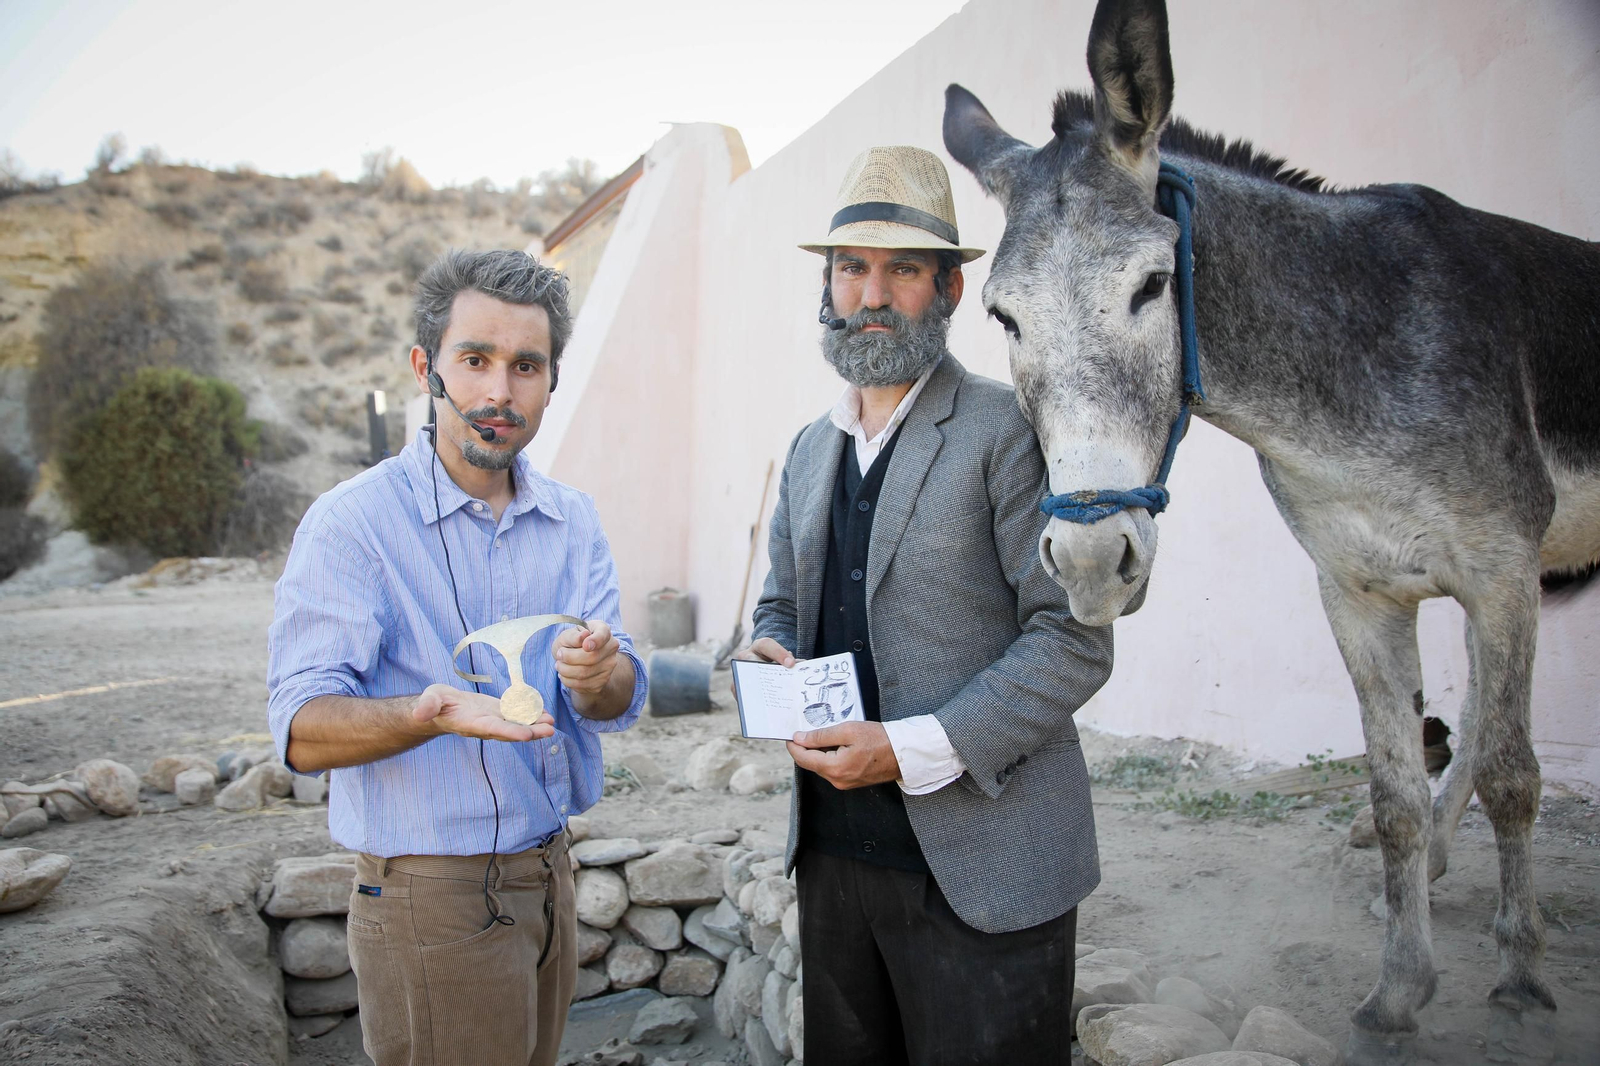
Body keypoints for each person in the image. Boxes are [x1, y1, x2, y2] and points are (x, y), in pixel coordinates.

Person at [743, 146, 1115, 1064]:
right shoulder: (806, 450)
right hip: (832, 859)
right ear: (827, 286)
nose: (871, 294)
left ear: (948, 291)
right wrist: (767, 647)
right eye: (851, 268)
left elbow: (1074, 638)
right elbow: (784, 605)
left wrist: (909, 749)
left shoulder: (1007, 431)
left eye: (902, 270)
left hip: (984, 868)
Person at [267, 249, 646, 1066]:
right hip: (431, 894)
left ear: (552, 379)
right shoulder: (353, 525)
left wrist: (600, 676)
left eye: (525, 366)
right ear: (425, 368)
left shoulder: (574, 521)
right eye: (474, 360)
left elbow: (613, 694)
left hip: (550, 873)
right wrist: (423, 715)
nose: (499, 393)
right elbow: (299, 729)